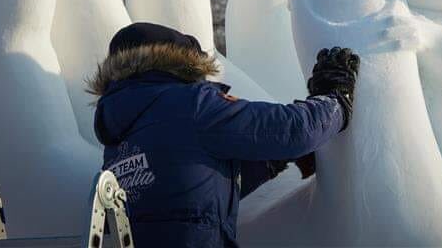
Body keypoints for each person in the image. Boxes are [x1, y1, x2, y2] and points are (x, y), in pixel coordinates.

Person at [87, 22, 360, 248]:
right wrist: (335, 98)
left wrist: (272, 160)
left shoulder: (118, 129)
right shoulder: (192, 103)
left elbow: (188, 190)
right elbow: (289, 128)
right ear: (182, 61)